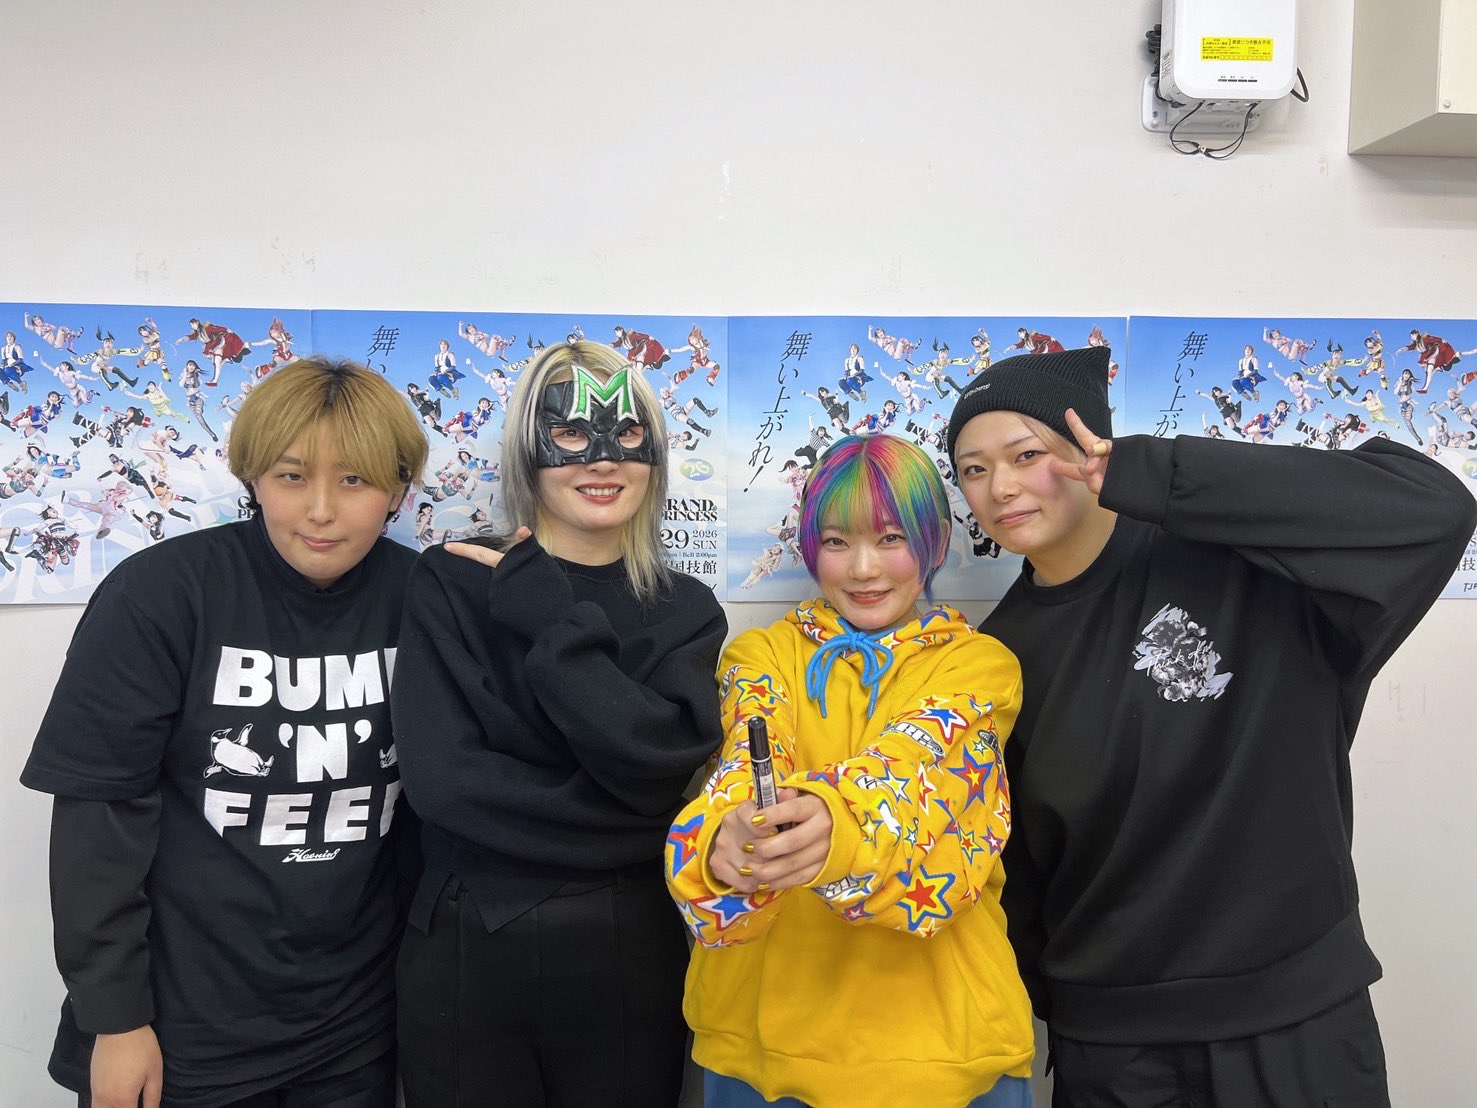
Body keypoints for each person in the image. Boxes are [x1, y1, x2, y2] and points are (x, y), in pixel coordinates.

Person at [945, 346, 1476, 1107]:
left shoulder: (1248, 565)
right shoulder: (994, 658)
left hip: (1295, 1024)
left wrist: (1155, 477)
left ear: (1092, 449)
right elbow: (1018, 871)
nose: (999, 487)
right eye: (972, 469)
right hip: (1112, 1048)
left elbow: (1435, 510)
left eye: (1026, 454)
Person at [20, 356, 430, 1108]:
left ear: (398, 490)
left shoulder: (425, 600)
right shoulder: (162, 593)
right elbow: (98, 823)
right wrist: (116, 1021)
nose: (320, 510)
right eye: (291, 476)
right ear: (253, 478)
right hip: (180, 1030)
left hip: (355, 1029)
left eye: (354, 480)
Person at [391, 339, 727, 1107]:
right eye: (571, 434)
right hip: (468, 942)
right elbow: (444, 785)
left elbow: (661, 770)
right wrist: (623, 815)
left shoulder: (685, 610)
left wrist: (551, 620)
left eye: (626, 434)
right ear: (528, 450)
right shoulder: (452, 580)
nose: (602, 460)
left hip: (628, 951)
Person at [667, 433, 1034, 1108]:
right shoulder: (759, 655)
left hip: (943, 1051)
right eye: (837, 542)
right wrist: (726, 840)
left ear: (934, 542)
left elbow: (914, 770)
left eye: (890, 538)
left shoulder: (979, 666)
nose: (863, 568)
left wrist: (831, 824)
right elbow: (743, 769)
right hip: (759, 1047)